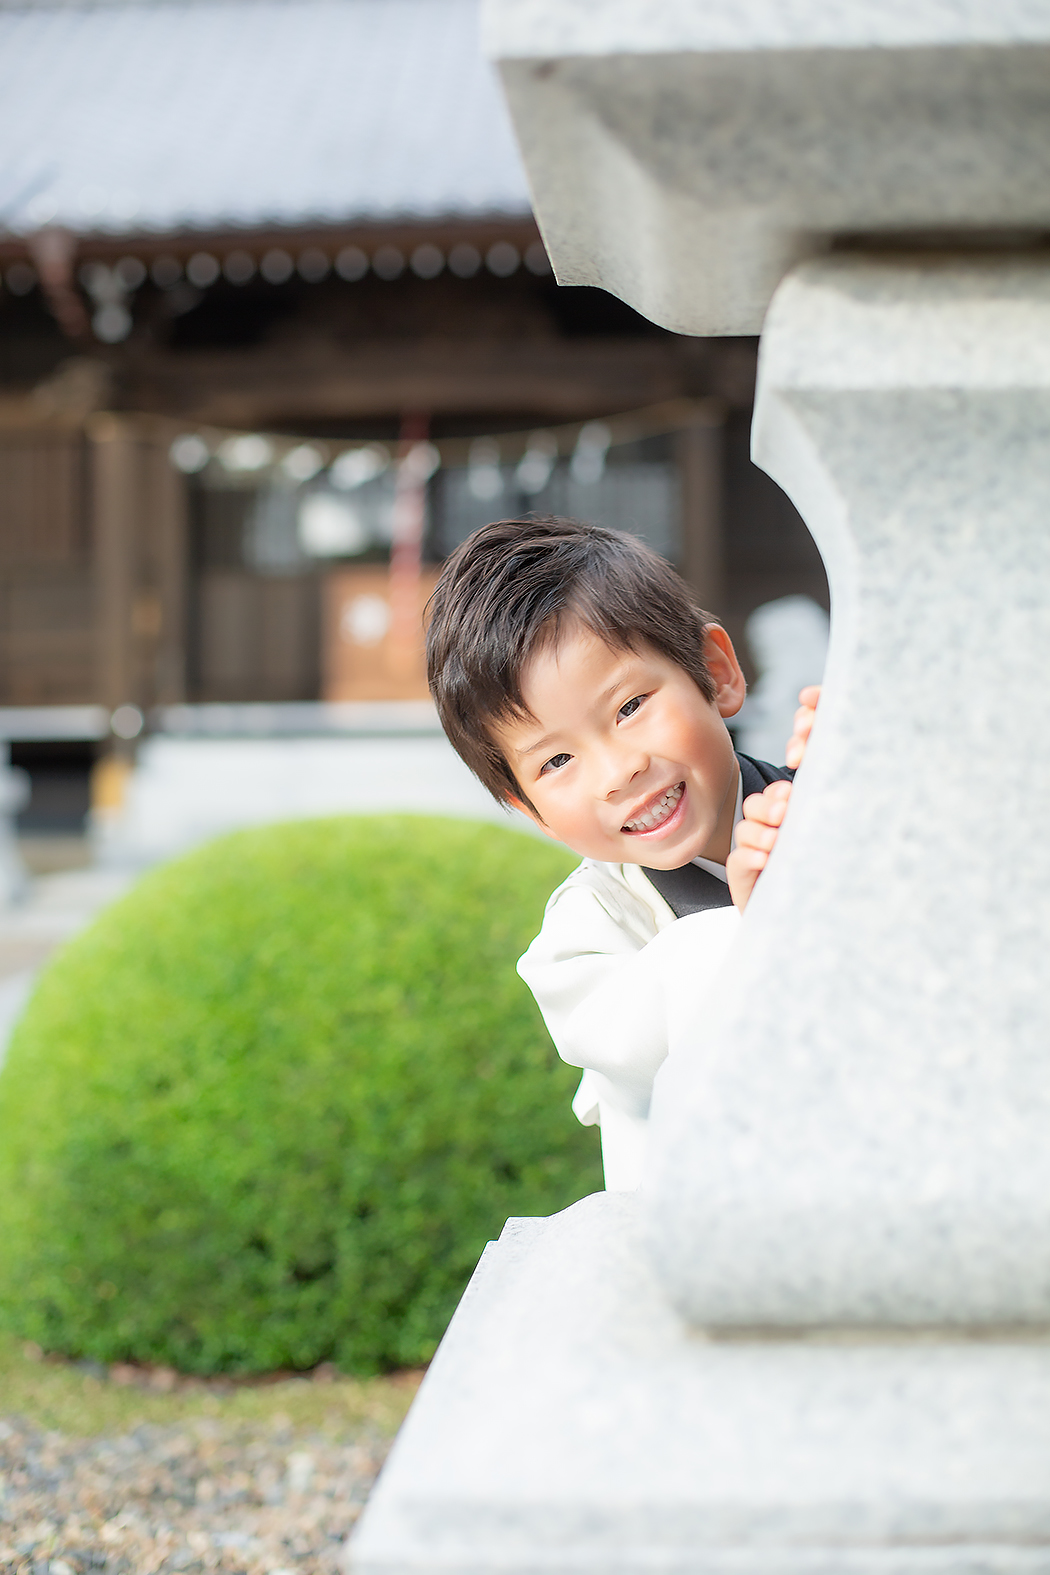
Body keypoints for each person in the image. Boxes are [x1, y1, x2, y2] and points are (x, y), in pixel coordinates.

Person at [427, 516, 817, 1190]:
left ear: (716, 673)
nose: (616, 771)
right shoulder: (583, 938)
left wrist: (879, 785)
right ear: (530, 810)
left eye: (630, 705)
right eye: (556, 760)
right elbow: (651, 1053)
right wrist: (759, 929)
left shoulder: (822, 804)